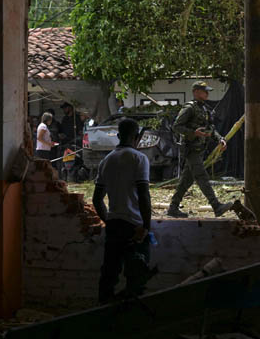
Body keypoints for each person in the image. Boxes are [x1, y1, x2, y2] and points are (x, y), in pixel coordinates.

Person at [93, 118, 155, 304]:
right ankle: (129, 320)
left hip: (114, 226)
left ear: (118, 136)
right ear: (136, 137)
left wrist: (108, 220)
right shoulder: (139, 158)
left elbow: (97, 199)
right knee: (136, 277)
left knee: (109, 275)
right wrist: (146, 226)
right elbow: (144, 195)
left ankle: (103, 316)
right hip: (134, 227)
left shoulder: (106, 160)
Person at [167, 81, 232, 218]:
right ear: (196, 92)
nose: (207, 93)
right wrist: (193, 133)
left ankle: (173, 208)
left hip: (200, 149)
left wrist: (220, 139)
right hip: (191, 149)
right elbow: (176, 126)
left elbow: (211, 129)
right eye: (204, 91)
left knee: (186, 180)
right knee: (202, 177)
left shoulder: (204, 109)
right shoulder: (189, 108)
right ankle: (216, 206)